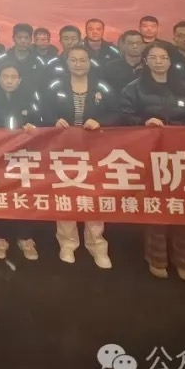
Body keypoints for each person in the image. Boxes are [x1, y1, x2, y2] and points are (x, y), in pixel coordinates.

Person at [119, 43, 185, 281]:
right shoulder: (133, 89)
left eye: (163, 57)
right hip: (149, 154)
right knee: (155, 205)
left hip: (181, 155)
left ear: (170, 61)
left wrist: (182, 130)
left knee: (183, 206)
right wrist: (143, 123)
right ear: (145, 61)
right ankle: (156, 256)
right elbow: (125, 116)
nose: (158, 61)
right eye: (153, 57)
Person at [43, 46, 113, 268]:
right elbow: (43, 111)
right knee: (66, 194)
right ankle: (68, 243)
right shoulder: (55, 85)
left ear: (90, 62)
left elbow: (118, 112)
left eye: (83, 60)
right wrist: (54, 120)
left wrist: (102, 122)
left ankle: (97, 244)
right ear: (67, 63)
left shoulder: (103, 86)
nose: (78, 64)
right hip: (64, 149)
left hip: (95, 149)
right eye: (73, 60)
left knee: (94, 195)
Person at [0, 62, 42, 261]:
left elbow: (43, 119)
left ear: (20, 80)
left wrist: (33, 125)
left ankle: (25, 237)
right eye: (5, 76)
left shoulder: (31, 98)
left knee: (23, 195)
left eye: (13, 77)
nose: (9, 80)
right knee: (0, 195)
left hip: (23, 156)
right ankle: (1, 238)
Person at [0, 23, 47, 92]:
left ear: (31, 40)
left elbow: (43, 85)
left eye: (26, 38)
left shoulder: (39, 61)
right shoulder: (2, 59)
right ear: (13, 38)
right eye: (19, 37)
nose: (23, 41)